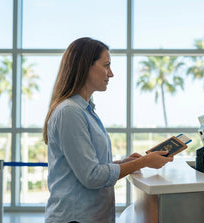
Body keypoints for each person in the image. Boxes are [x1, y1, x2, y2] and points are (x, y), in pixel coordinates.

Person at [42, 37, 173, 223]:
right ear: (85, 66)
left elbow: (90, 165)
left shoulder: (85, 110)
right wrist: (142, 162)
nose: (110, 74)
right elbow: (92, 176)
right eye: (106, 65)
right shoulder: (70, 112)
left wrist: (124, 162)